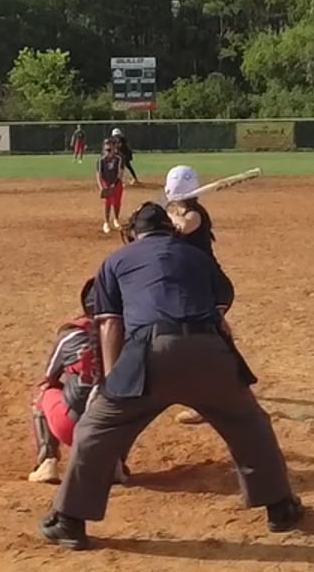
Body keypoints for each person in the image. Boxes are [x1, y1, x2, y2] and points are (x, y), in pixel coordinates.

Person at [37, 202, 300, 550]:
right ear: (169, 229)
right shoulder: (198, 257)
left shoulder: (116, 260)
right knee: (249, 424)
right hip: (209, 351)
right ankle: (280, 508)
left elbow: (110, 324)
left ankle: (69, 521)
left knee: (96, 429)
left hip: (149, 354)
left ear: (133, 233)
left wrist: (110, 382)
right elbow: (221, 307)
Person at [28, 277, 129, 486]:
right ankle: (115, 463)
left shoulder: (70, 335)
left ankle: (47, 462)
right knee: (132, 400)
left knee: (45, 392)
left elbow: (50, 377)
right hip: (111, 432)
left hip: (72, 428)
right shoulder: (130, 335)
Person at [162, 164, 237, 426]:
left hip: (212, 288)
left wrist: (163, 215)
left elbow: (182, 227)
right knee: (213, 339)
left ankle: (210, 400)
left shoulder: (195, 215)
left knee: (203, 343)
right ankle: (230, 382)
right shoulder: (174, 211)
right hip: (195, 288)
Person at [96, 138, 126, 236]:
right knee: (108, 201)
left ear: (114, 148)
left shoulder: (119, 158)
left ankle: (116, 219)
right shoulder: (101, 160)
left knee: (117, 201)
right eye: (107, 147)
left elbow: (120, 173)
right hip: (106, 182)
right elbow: (99, 175)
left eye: (111, 147)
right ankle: (106, 222)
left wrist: (114, 185)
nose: (109, 149)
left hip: (116, 182)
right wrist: (102, 187)